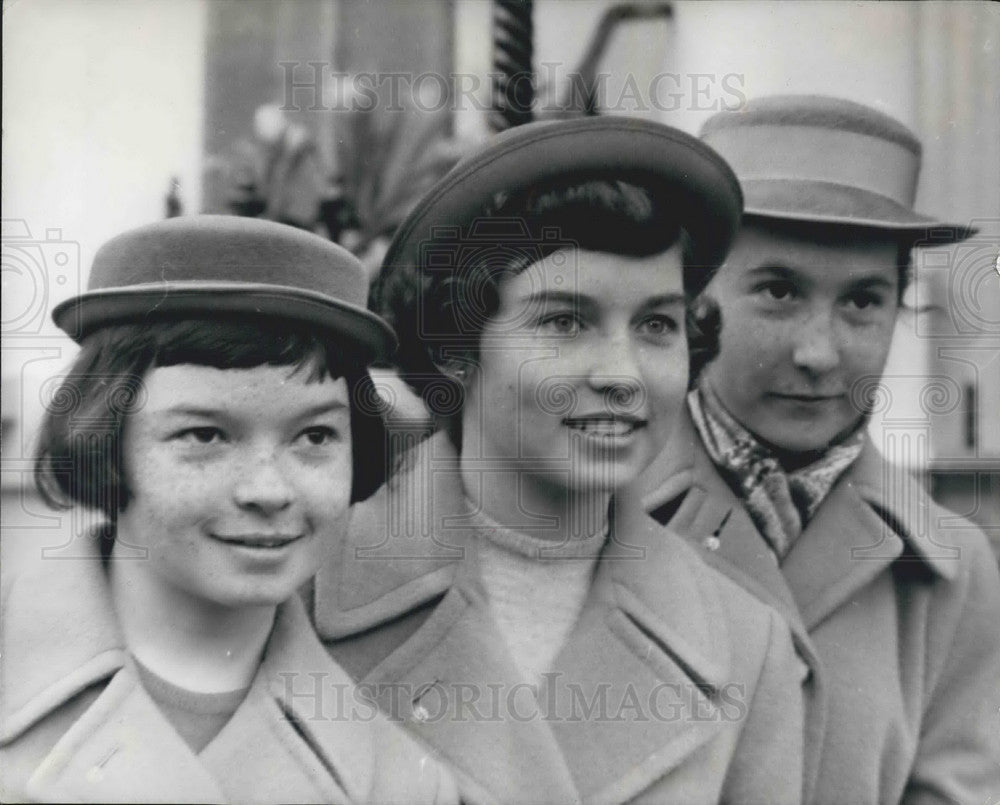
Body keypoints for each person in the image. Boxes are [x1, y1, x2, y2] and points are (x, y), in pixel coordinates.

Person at [312, 117, 807, 804]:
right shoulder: (305, 590)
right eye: (564, 322)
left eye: (657, 325)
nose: (623, 373)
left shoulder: (745, 647)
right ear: (457, 348)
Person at [0, 216, 456, 804]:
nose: (269, 490)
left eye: (315, 437)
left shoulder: (399, 783)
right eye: (205, 436)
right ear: (103, 441)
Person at [639, 95, 1000, 804]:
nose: (819, 352)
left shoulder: (953, 572)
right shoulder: (594, 513)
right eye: (778, 291)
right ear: (693, 297)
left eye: (864, 302)